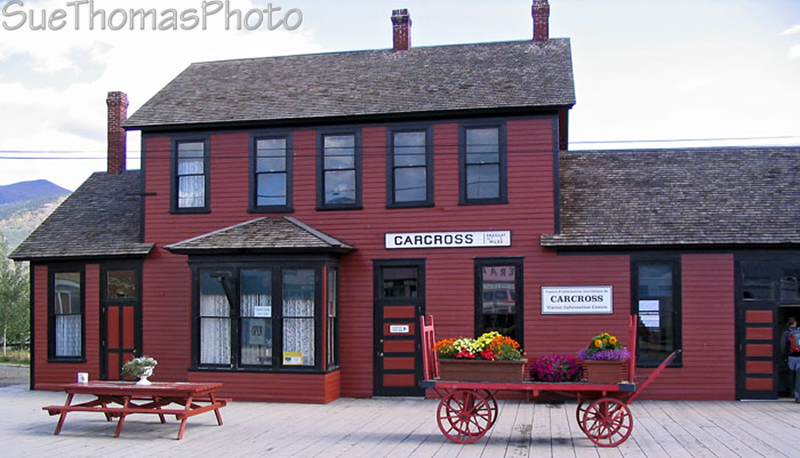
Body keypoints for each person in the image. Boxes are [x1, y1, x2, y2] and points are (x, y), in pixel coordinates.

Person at [782, 317, 800, 403]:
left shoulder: (786, 333)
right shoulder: (799, 332)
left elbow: (783, 345)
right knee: (799, 377)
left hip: (791, 357)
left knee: (790, 375)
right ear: (795, 323)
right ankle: (798, 395)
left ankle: (791, 392)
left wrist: (785, 354)